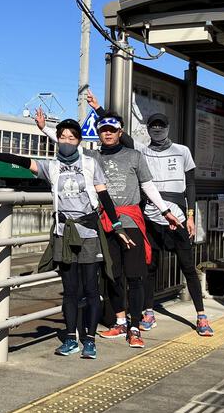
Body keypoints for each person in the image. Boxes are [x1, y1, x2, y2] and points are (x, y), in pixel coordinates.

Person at [0, 117, 131, 359]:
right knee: (70, 290)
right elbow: (23, 161)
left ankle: (89, 339)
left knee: (90, 288)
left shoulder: (90, 164)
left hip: (88, 233)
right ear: (58, 140)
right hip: (63, 234)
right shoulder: (51, 166)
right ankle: (70, 338)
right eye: (63, 137)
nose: (67, 141)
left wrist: (117, 226)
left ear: (78, 141)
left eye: (71, 137)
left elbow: (105, 197)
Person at [34, 108, 180, 349]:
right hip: (104, 224)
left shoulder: (134, 156)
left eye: (112, 130)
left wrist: (166, 211)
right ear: (99, 134)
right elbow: (67, 142)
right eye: (103, 130)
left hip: (131, 221)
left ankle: (135, 326)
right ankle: (120, 321)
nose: (108, 134)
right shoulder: (93, 158)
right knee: (113, 275)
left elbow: (149, 187)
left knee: (135, 277)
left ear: (120, 132)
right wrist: (43, 129)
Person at [85, 90, 214, 337]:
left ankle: (201, 316)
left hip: (177, 216)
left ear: (168, 127)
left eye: (161, 126)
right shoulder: (141, 150)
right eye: (153, 126)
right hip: (150, 217)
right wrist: (98, 108)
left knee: (188, 266)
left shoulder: (182, 151)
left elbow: (191, 184)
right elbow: (115, 131)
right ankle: (148, 312)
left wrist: (190, 214)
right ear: (148, 129)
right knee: (149, 266)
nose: (157, 130)